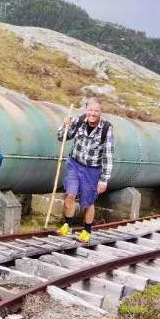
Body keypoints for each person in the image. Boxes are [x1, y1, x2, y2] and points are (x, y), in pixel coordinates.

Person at [56, 97, 114, 242]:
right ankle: (67, 225)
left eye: (96, 111)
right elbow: (62, 137)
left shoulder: (106, 129)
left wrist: (104, 180)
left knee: (88, 201)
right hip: (75, 164)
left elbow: (108, 156)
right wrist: (65, 126)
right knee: (70, 194)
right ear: (86, 110)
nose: (93, 113)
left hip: (92, 170)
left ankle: (86, 230)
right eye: (90, 110)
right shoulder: (79, 121)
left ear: (100, 112)